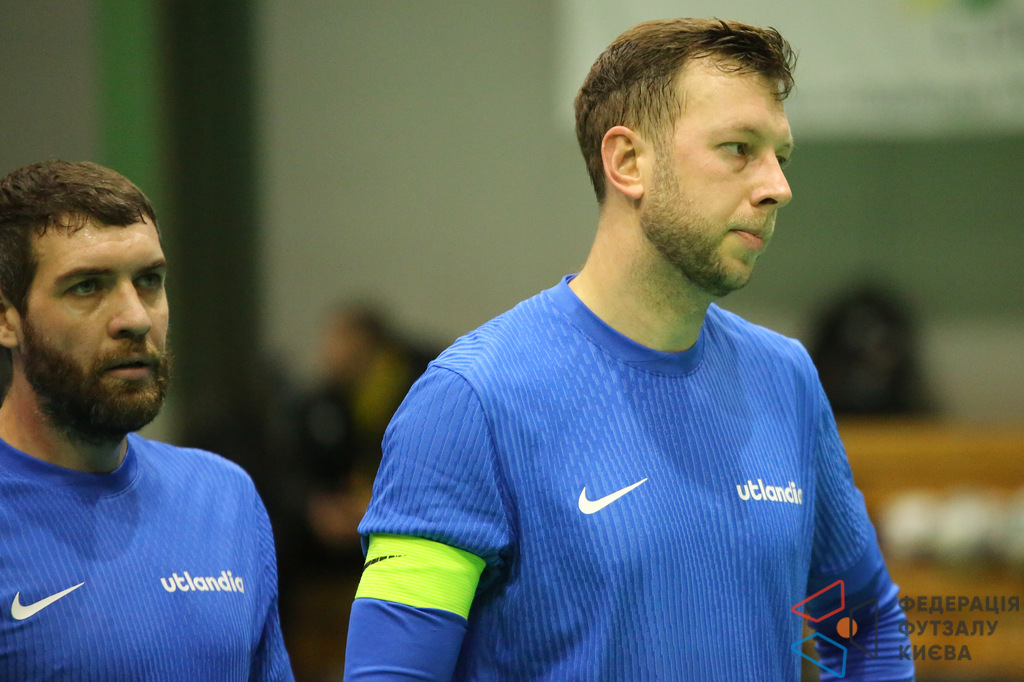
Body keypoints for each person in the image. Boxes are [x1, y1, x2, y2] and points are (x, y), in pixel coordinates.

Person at [344, 18, 914, 681]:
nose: (777, 186)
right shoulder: (470, 402)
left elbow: (865, 624)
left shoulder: (785, 381)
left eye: (779, 157)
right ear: (628, 162)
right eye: (738, 149)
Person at [0, 160, 294, 681]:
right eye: (87, 286)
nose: (136, 318)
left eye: (149, 281)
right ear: (7, 317)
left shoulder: (225, 497)